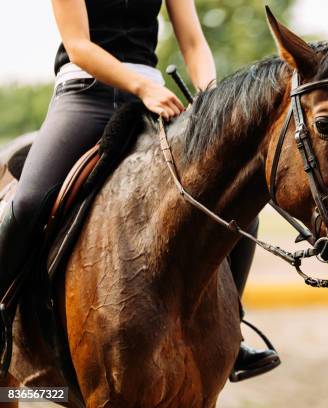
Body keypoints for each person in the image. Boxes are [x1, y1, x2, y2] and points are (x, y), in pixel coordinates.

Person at [0, 0, 279, 380]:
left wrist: (212, 101)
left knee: (236, 202)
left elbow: (194, 44)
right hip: (85, 94)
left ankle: (235, 330)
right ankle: (3, 323)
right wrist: (141, 86)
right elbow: (79, 45)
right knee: (29, 201)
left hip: (154, 100)